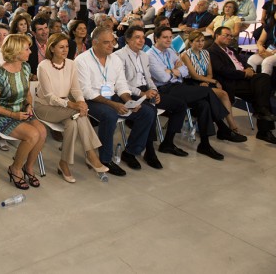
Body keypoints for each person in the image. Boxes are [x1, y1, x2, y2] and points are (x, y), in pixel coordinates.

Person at [149, 26, 246, 161]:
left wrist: (171, 71)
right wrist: (175, 70)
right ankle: (223, 128)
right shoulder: (150, 55)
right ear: (156, 38)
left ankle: (202, 144)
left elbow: (185, 71)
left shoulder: (170, 51)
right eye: (165, 37)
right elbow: (163, 78)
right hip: (164, 90)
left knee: (204, 104)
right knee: (207, 91)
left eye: (170, 37)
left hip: (178, 86)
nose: (169, 40)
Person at [75, 27, 156, 176]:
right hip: (91, 100)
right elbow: (86, 91)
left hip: (112, 96)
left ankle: (131, 152)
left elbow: (121, 85)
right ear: (95, 43)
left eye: (112, 42)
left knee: (147, 111)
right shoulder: (82, 60)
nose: (111, 46)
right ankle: (106, 159)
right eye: (106, 43)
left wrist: (129, 101)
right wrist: (114, 104)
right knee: (110, 115)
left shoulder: (115, 59)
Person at [33, 33, 108, 181]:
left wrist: (81, 102)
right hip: (45, 107)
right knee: (78, 113)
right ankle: (91, 155)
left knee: (73, 123)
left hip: (66, 109)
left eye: (67, 46)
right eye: (61, 47)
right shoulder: (43, 66)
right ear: (52, 48)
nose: (65, 50)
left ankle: (64, 163)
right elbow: (49, 97)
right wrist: (74, 105)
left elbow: (75, 90)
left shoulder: (71, 64)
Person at [114, 26, 189, 163]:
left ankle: (168, 143)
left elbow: (149, 78)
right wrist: (142, 93)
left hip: (147, 91)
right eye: (137, 37)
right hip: (130, 91)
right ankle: (148, 150)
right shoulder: (118, 56)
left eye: (143, 37)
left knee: (180, 105)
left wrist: (154, 90)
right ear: (128, 39)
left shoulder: (144, 55)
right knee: (151, 111)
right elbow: (120, 83)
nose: (141, 40)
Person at [0, 34, 47, 189]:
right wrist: (14, 115)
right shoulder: (0, 75)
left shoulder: (25, 67)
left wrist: (29, 105)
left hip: (21, 110)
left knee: (42, 132)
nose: (30, 52)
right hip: (0, 114)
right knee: (32, 135)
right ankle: (15, 168)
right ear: (16, 52)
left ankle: (29, 167)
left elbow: (26, 92)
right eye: (27, 49)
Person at [207, 27, 276, 144]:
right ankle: (264, 129)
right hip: (231, 82)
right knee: (261, 93)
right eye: (226, 35)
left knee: (263, 79)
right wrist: (244, 74)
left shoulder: (231, 50)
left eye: (230, 36)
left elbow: (244, 62)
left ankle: (263, 115)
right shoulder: (212, 51)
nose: (229, 38)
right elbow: (223, 70)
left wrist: (249, 68)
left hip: (244, 79)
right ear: (217, 35)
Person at [180, 31, 241, 133]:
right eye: (197, 41)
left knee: (222, 94)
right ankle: (231, 126)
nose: (201, 43)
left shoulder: (206, 53)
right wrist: (214, 81)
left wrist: (207, 82)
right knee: (223, 94)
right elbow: (194, 75)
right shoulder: (185, 55)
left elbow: (209, 73)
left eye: (202, 41)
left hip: (205, 81)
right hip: (191, 82)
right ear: (191, 43)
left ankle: (228, 126)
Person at [249, 11, 276, 76]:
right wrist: (261, 48)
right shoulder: (269, 26)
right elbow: (260, 41)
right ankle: (251, 81)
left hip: (273, 52)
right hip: (268, 51)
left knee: (267, 62)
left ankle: (264, 83)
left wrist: (272, 53)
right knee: (252, 59)